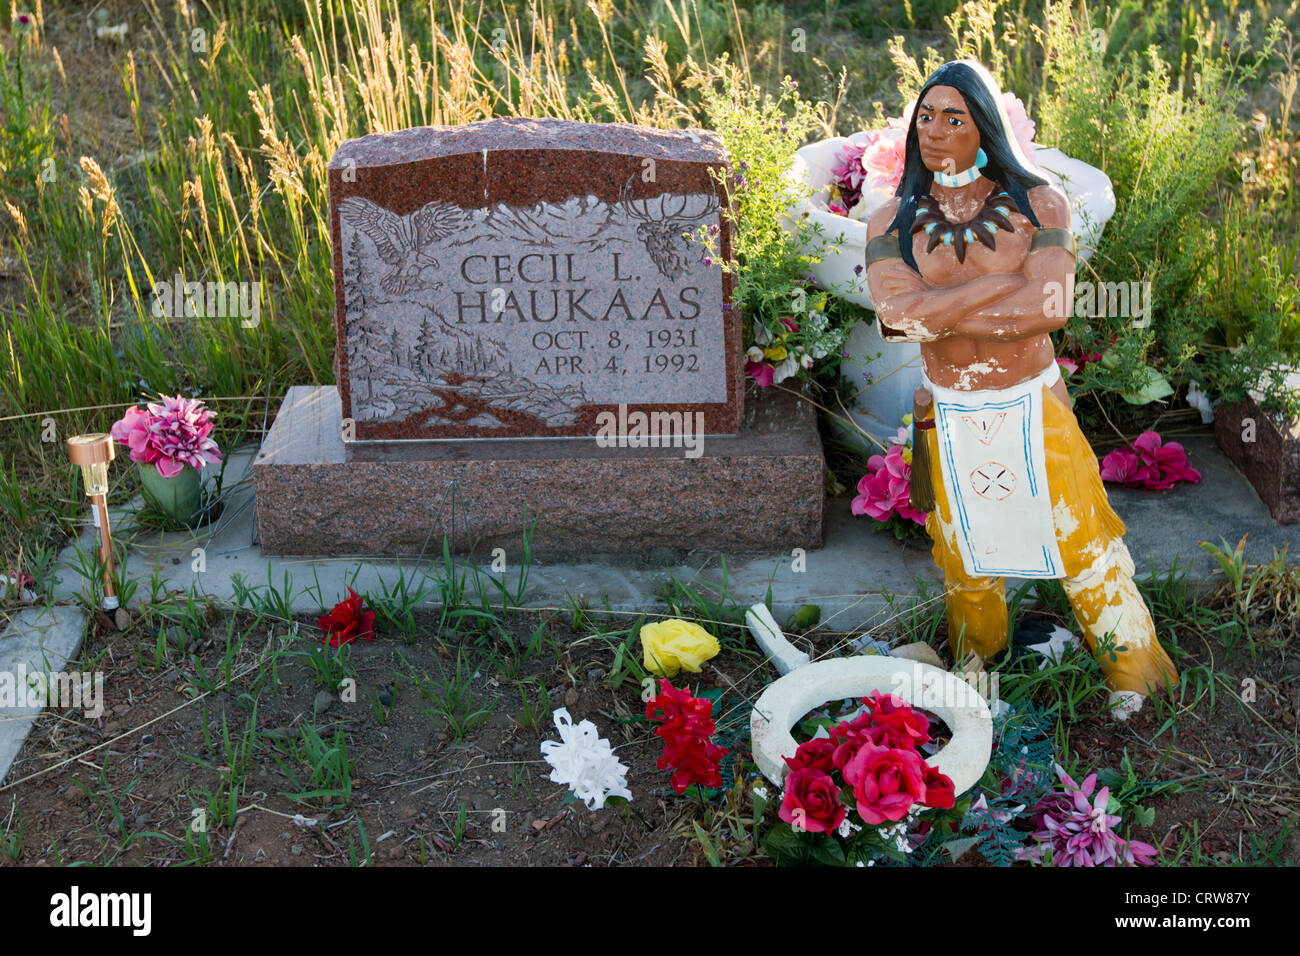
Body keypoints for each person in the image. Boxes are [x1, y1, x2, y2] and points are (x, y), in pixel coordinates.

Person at [863, 59, 1178, 720]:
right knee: (963, 555)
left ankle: (1137, 677)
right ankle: (977, 675)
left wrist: (942, 302)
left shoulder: (1041, 203)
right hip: (946, 413)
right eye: (927, 116)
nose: (937, 130)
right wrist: (998, 285)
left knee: (1081, 544)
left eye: (956, 117)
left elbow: (1049, 305)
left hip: (1033, 406)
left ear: (986, 126)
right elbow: (897, 319)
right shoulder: (892, 219)